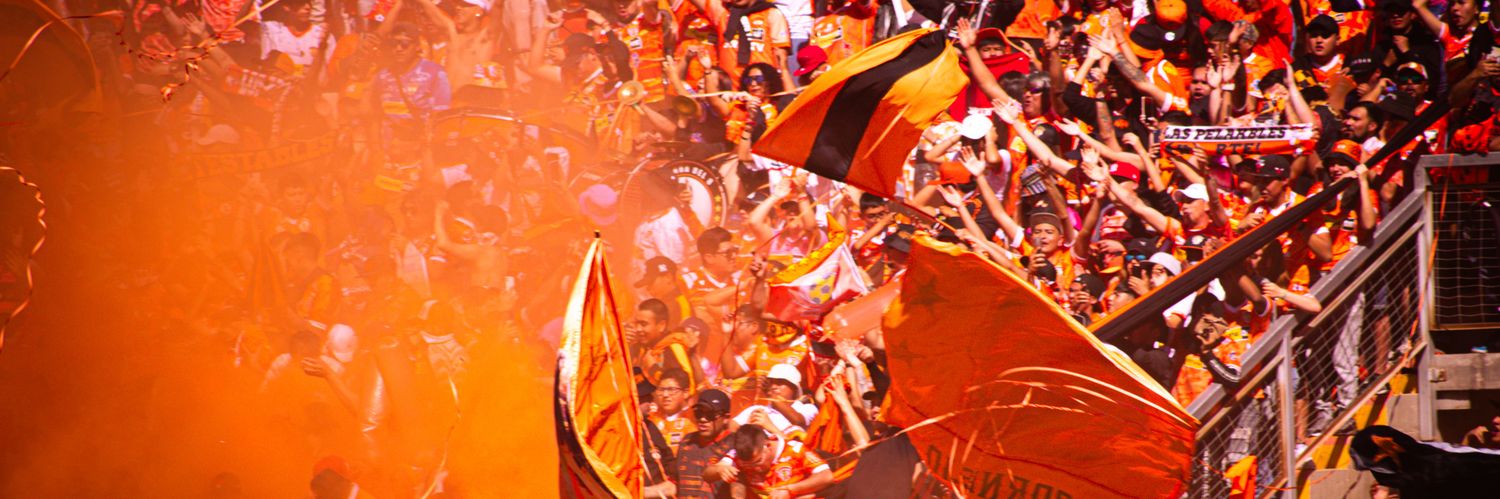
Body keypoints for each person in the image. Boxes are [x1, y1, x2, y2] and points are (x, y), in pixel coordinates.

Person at [725, 424, 833, 498]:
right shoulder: (740, 455)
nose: (755, 468)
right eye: (748, 465)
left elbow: (826, 476)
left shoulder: (795, 450)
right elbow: (715, 471)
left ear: (768, 446)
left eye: (758, 462)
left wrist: (790, 490)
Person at [676, 388, 737, 498]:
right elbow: (675, 483)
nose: (703, 419)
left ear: (726, 418)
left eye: (710, 414)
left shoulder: (735, 444)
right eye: (698, 413)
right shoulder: (686, 442)